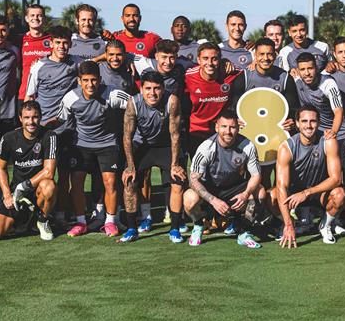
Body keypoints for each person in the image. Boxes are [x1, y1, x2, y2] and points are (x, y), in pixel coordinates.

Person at [56, 61, 130, 237]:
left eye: (94, 80)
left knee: (110, 183)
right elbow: (62, 120)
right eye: (86, 80)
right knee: (77, 183)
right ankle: (81, 222)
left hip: (107, 144)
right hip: (81, 145)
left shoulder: (113, 94)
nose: (90, 84)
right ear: (79, 81)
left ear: (100, 79)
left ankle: (110, 221)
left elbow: (136, 107)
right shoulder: (70, 98)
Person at [271, 105, 345, 247]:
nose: (309, 126)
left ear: (319, 123)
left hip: (319, 192)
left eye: (313, 121)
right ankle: (293, 224)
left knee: (340, 194)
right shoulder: (286, 147)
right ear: (297, 124)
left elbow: (336, 179)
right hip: (294, 196)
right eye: (304, 121)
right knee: (273, 196)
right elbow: (281, 187)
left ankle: (326, 224)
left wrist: (307, 193)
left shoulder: (328, 141)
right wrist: (288, 224)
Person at [121, 71, 186, 243]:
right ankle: (131, 228)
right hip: (142, 145)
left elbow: (175, 135)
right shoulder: (133, 103)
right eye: (148, 88)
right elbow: (127, 135)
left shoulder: (172, 101)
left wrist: (174, 164)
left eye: (157, 88)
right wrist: (130, 165)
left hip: (166, 146)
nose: (152, 93)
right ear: (141, 89)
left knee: (178, 181)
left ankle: (175, 228)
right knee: (129, 181)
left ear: (163, 89)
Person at [184, 110, 262, 248]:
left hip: (234, 187)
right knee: (189, 198)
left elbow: (256, 175)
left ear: (238, 127)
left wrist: (245, 194)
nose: (228, 131)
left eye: (232, 127)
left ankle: (243, 231)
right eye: (224, 127)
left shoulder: (248, 146)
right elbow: (193, 180)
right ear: (217, 127)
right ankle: (198, 225)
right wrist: (213, 200)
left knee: (260, 192)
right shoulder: (206, 147)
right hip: (210, 189)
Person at [25, 26, 78, 223]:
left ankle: (61, 215)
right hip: (45, 131)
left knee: (65, 176)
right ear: (51, 44)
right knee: (43, 176)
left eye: (65, 43)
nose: (62, 46)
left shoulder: (76, 64)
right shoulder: (39, 66)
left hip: (68, 130)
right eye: (58, 42)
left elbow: (94, 63)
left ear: (70, 44)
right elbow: (29, 97)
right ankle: (35, 215)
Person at [0, 101, 57, 241]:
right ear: (20, 118)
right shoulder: (8, 138)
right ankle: (24, 222)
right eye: (26, 117)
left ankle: (43, 220)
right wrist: (7, 194)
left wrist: (24, 186)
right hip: (17, 195)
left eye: (35, 117)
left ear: (40, 117)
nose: (31, 121)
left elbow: (49, 171)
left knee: (48, 186)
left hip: (38, 192)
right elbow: (0, 168)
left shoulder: (49, 136)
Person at [183, 42, 241, 155]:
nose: (209, 63)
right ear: (198, 60)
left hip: (222, 133)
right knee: (199, 171)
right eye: (205, 58)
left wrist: (254, 63)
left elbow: (252, 74)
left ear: (220, 60)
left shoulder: (230, 74)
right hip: (196, 132)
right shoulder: (188, 76)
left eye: (214, 59)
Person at [293, 52, 345, 140]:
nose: (307, 73)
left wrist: (333, 133)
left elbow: (338, 112)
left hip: (335, 131)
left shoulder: (328, 83)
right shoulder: (296, 81)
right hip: (312, 131)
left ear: (316, 68)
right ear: (298, 71)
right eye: (302, 69)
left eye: (310, 68)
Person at [18, 3, 49, 101]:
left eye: (39, 15)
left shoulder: (53, 40)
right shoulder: (19, 40)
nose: (35, 18)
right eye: (32, 15)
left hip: (47, 97)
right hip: (25, 95)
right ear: (26, 18)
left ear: (44, 19)